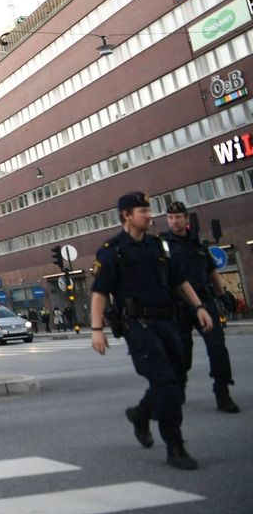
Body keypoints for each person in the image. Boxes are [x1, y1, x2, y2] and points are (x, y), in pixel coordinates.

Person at [90, 192, 214, 470]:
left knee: (176, 381)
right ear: (126, 215)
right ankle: (175, 447)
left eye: (149, 210)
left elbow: (179, 281)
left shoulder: (159, 246)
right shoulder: (113, 250)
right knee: (166, 383)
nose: (150, 216)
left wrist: (199, 307)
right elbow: (99, 293)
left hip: (167, 322)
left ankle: (141, 414)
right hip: (139, 326)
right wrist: (96, 329)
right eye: (143, 211)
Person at [160, 202, 240, 413]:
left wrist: (223, 295)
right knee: (182, 352)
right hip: (179, 307)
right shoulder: (163, 246)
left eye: (178, 217)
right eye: (170, 217)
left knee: (217, 348)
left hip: (205, 302)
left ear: (186, 219)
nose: (174, 221)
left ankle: (222, 392)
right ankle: (180, 385)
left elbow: (212, 271)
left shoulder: (199, 244)